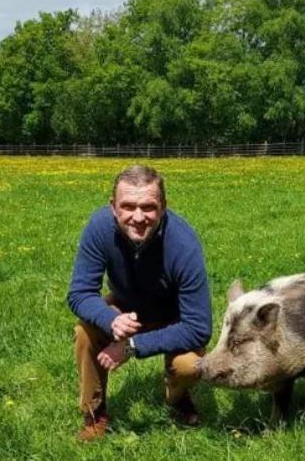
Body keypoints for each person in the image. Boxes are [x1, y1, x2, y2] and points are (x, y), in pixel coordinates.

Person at [67, 164, 212, 441]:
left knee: (190, 365)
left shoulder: (184, 244)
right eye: (128, 206)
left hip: (174, 318)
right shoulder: (99, 228)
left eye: (148, 207)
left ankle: (176, 397)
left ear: (163, 206)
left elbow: (199, 327)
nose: (138, 217)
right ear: (113, 207)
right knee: (85, 332)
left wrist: (132, 346)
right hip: (124, 308)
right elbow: (80, 292)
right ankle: (94, 415)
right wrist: (110, 320)